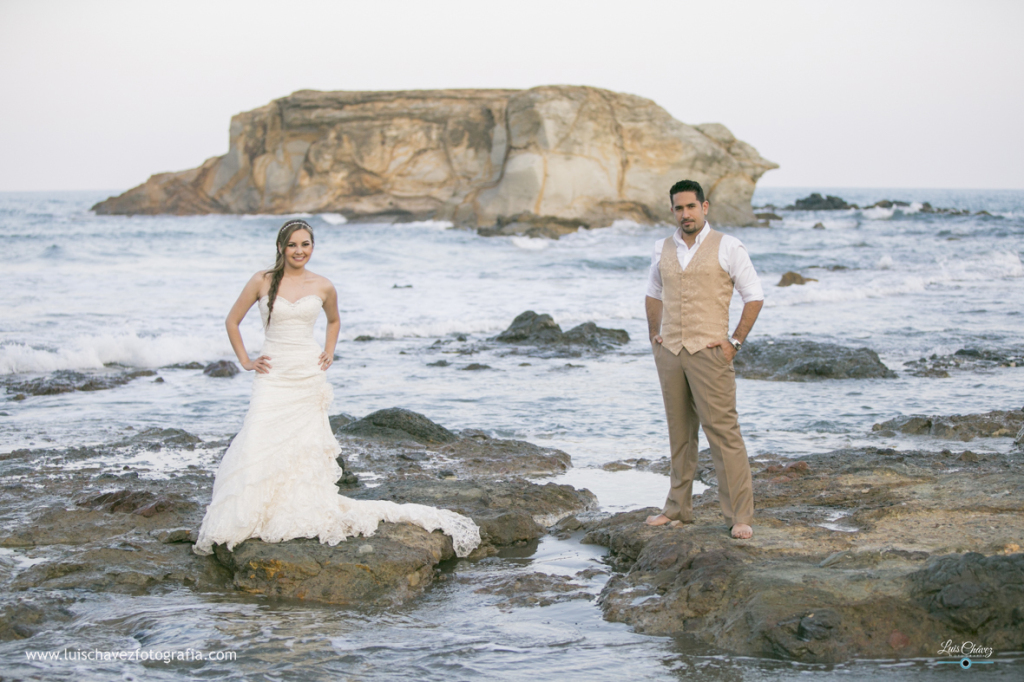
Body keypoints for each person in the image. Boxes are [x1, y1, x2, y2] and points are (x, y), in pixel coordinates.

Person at [194, 219, 480, 558]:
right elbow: (232, 320)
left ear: (312, 247)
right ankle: (253, 511)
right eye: (293, 245)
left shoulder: (324, 285)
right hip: (274, 373)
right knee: (258, 436)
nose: (300, 251)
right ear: (281, 247)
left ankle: (294, 506)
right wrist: (245, 360)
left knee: (304, 444)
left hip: (308, 372)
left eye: (306, 245)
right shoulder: (262, 280)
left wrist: (329, 350)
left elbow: (334, 320)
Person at [644, 180, 764, 540]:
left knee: (724, 434)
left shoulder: (728, 246)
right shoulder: (661, 248)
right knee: (680, 435)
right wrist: (656, 336)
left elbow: (754, 296)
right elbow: (653, 292)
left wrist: (734, 342)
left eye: (691, 207)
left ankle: (740, 515)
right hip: (671, 353)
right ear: (673, 211)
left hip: (710, 354)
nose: (685, 214)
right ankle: (678, 508)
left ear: (705, 207)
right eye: (679, 208)